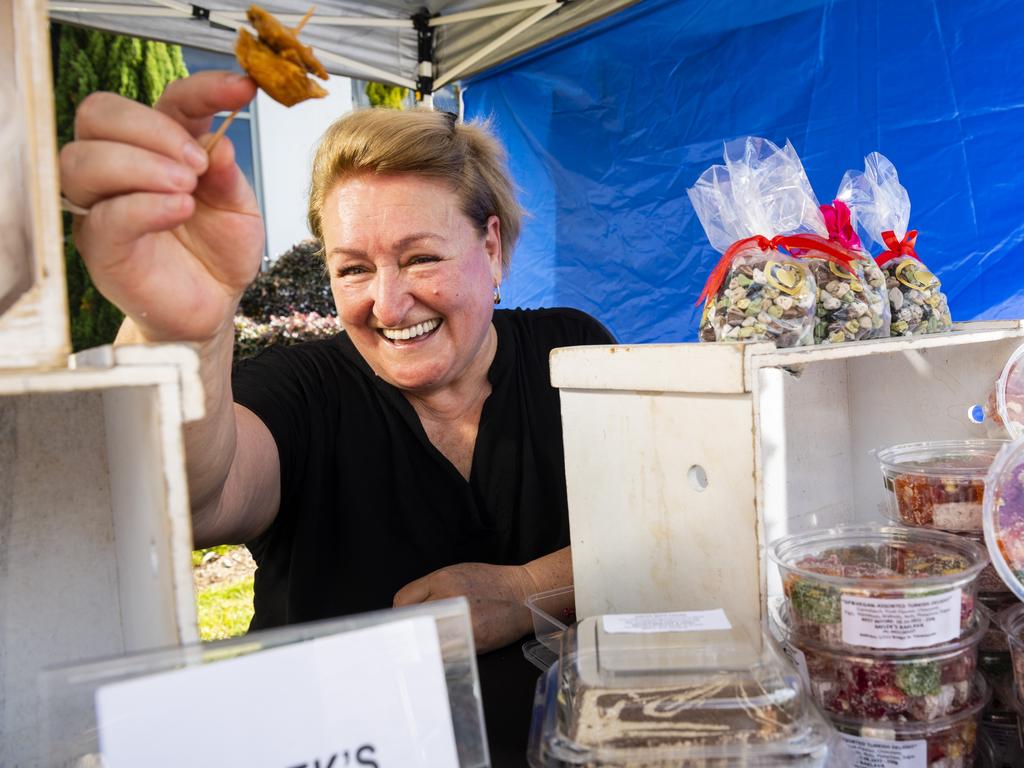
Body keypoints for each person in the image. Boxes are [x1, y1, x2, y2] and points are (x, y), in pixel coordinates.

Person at [59, 71, 614, 653]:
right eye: (352, 269)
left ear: (491, 247)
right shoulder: (300, 391)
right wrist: (176, 331)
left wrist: (528, 589)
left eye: (421, 258)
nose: (389, 304)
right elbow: (193, 501)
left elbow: (671, 519)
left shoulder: (574, 351)